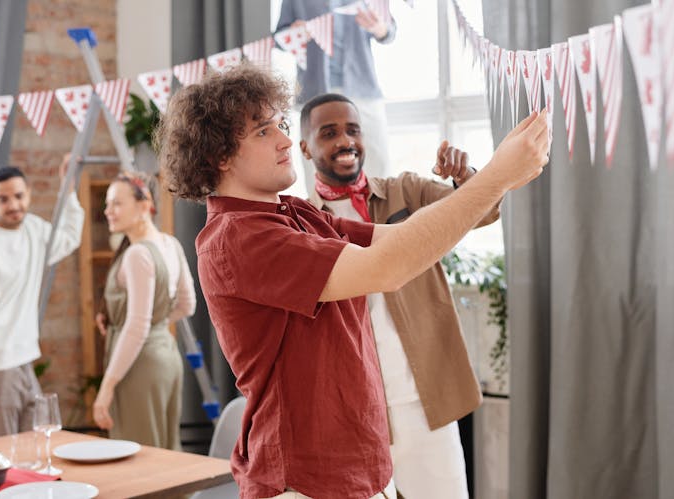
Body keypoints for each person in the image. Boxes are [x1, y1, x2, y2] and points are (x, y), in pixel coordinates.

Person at [155, 64, 548, 499]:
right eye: (264, 132)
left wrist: (491, 181)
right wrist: (496, 177)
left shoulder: (296, 214)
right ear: (219, 156)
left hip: (359, 466)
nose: (286, 140)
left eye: (280, 125)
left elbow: (400, 242)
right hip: (306, 480)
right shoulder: (239, 238)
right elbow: (387, 267)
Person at [301, 93, 498, 498]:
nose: (345, 141)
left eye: (353, 130)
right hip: (351, 409)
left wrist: (466, 180)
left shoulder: (405, 192)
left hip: (422, 398)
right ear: (305, 146)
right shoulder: (301, 223)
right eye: (329, 133)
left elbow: (484, 210)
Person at [0, 156, 84, 439]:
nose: (13, 205)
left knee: (32, 448)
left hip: (23, 359)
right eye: (3, 199)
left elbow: (69, 238)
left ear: (28, 194)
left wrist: (69, 188)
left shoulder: (34, 230)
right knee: (1, 455)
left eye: (18, 196)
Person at [91, 172, 196, 450]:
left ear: (143, 204)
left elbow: (137, 327)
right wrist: (157, 322)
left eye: (116, 203)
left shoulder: (138, 254)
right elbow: (187, 304)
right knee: (166, 450)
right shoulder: (170, 244)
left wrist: (106, 388)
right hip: (166, 357)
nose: (107, 211)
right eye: (107, 204)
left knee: (139, 457)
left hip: (138, 366)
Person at [276, 0, 395, 195]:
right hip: (314, 88)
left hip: (362, 85)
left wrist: (379, 27)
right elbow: (279, 38)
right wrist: (293, 33)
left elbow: (389, 32)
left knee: (377, 158)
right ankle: (319, 219)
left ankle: (381, 219)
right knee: (315, 162)